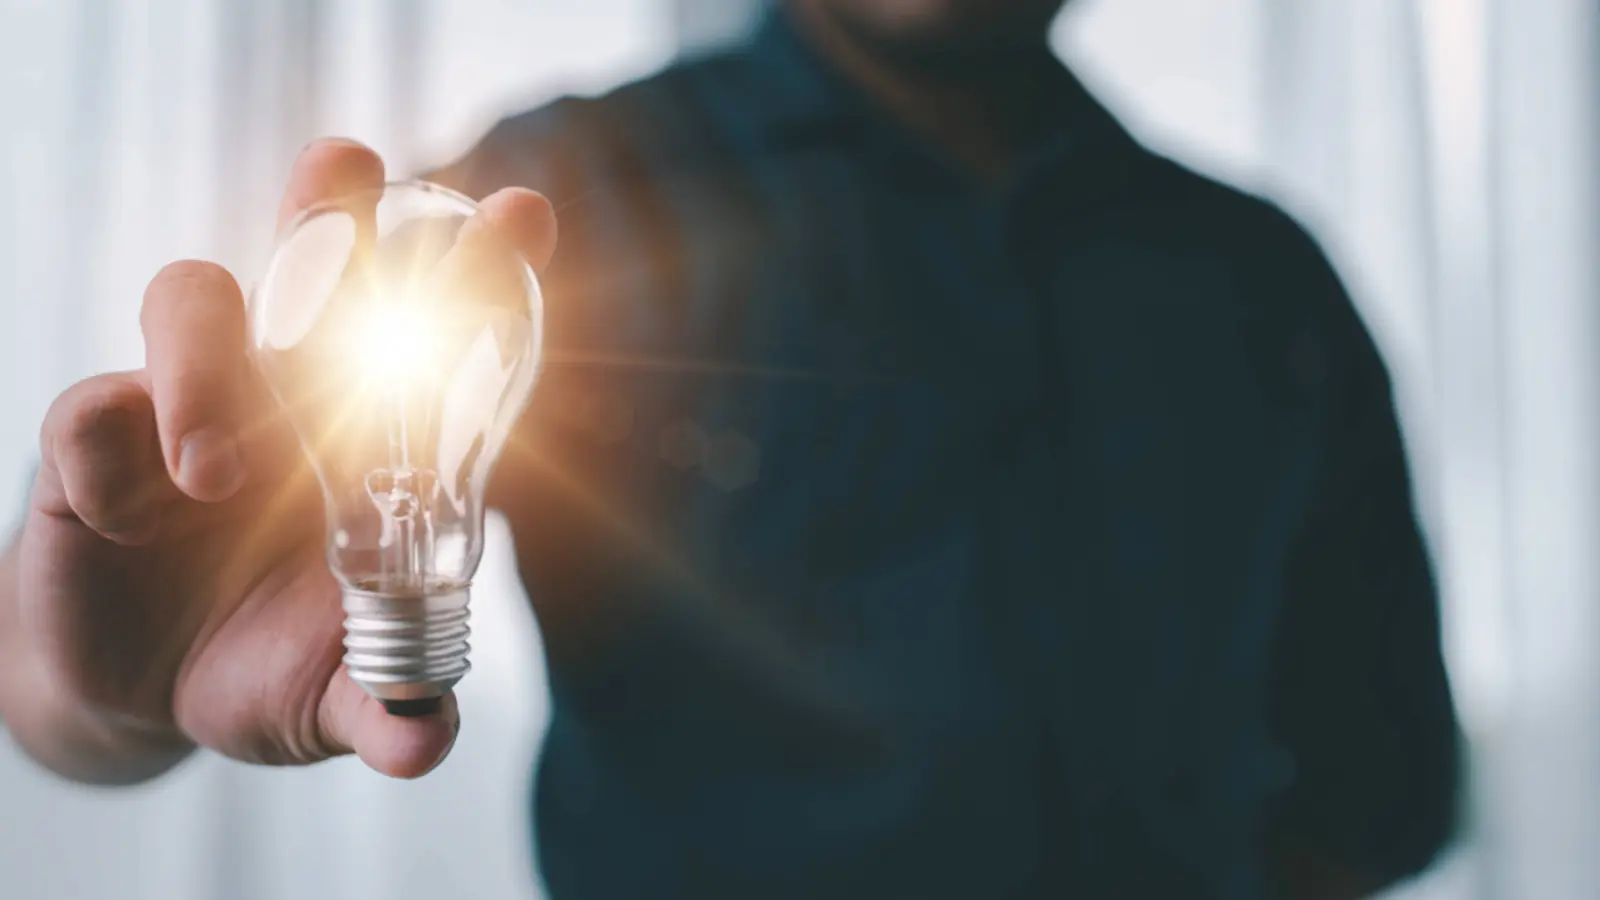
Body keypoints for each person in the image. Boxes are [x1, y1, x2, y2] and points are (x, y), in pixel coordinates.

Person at [0, 0, 1458, 897]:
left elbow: (1379, 788)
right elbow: (126, 671)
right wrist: (96, 696)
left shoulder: (1261, 286)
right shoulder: (555, 205)